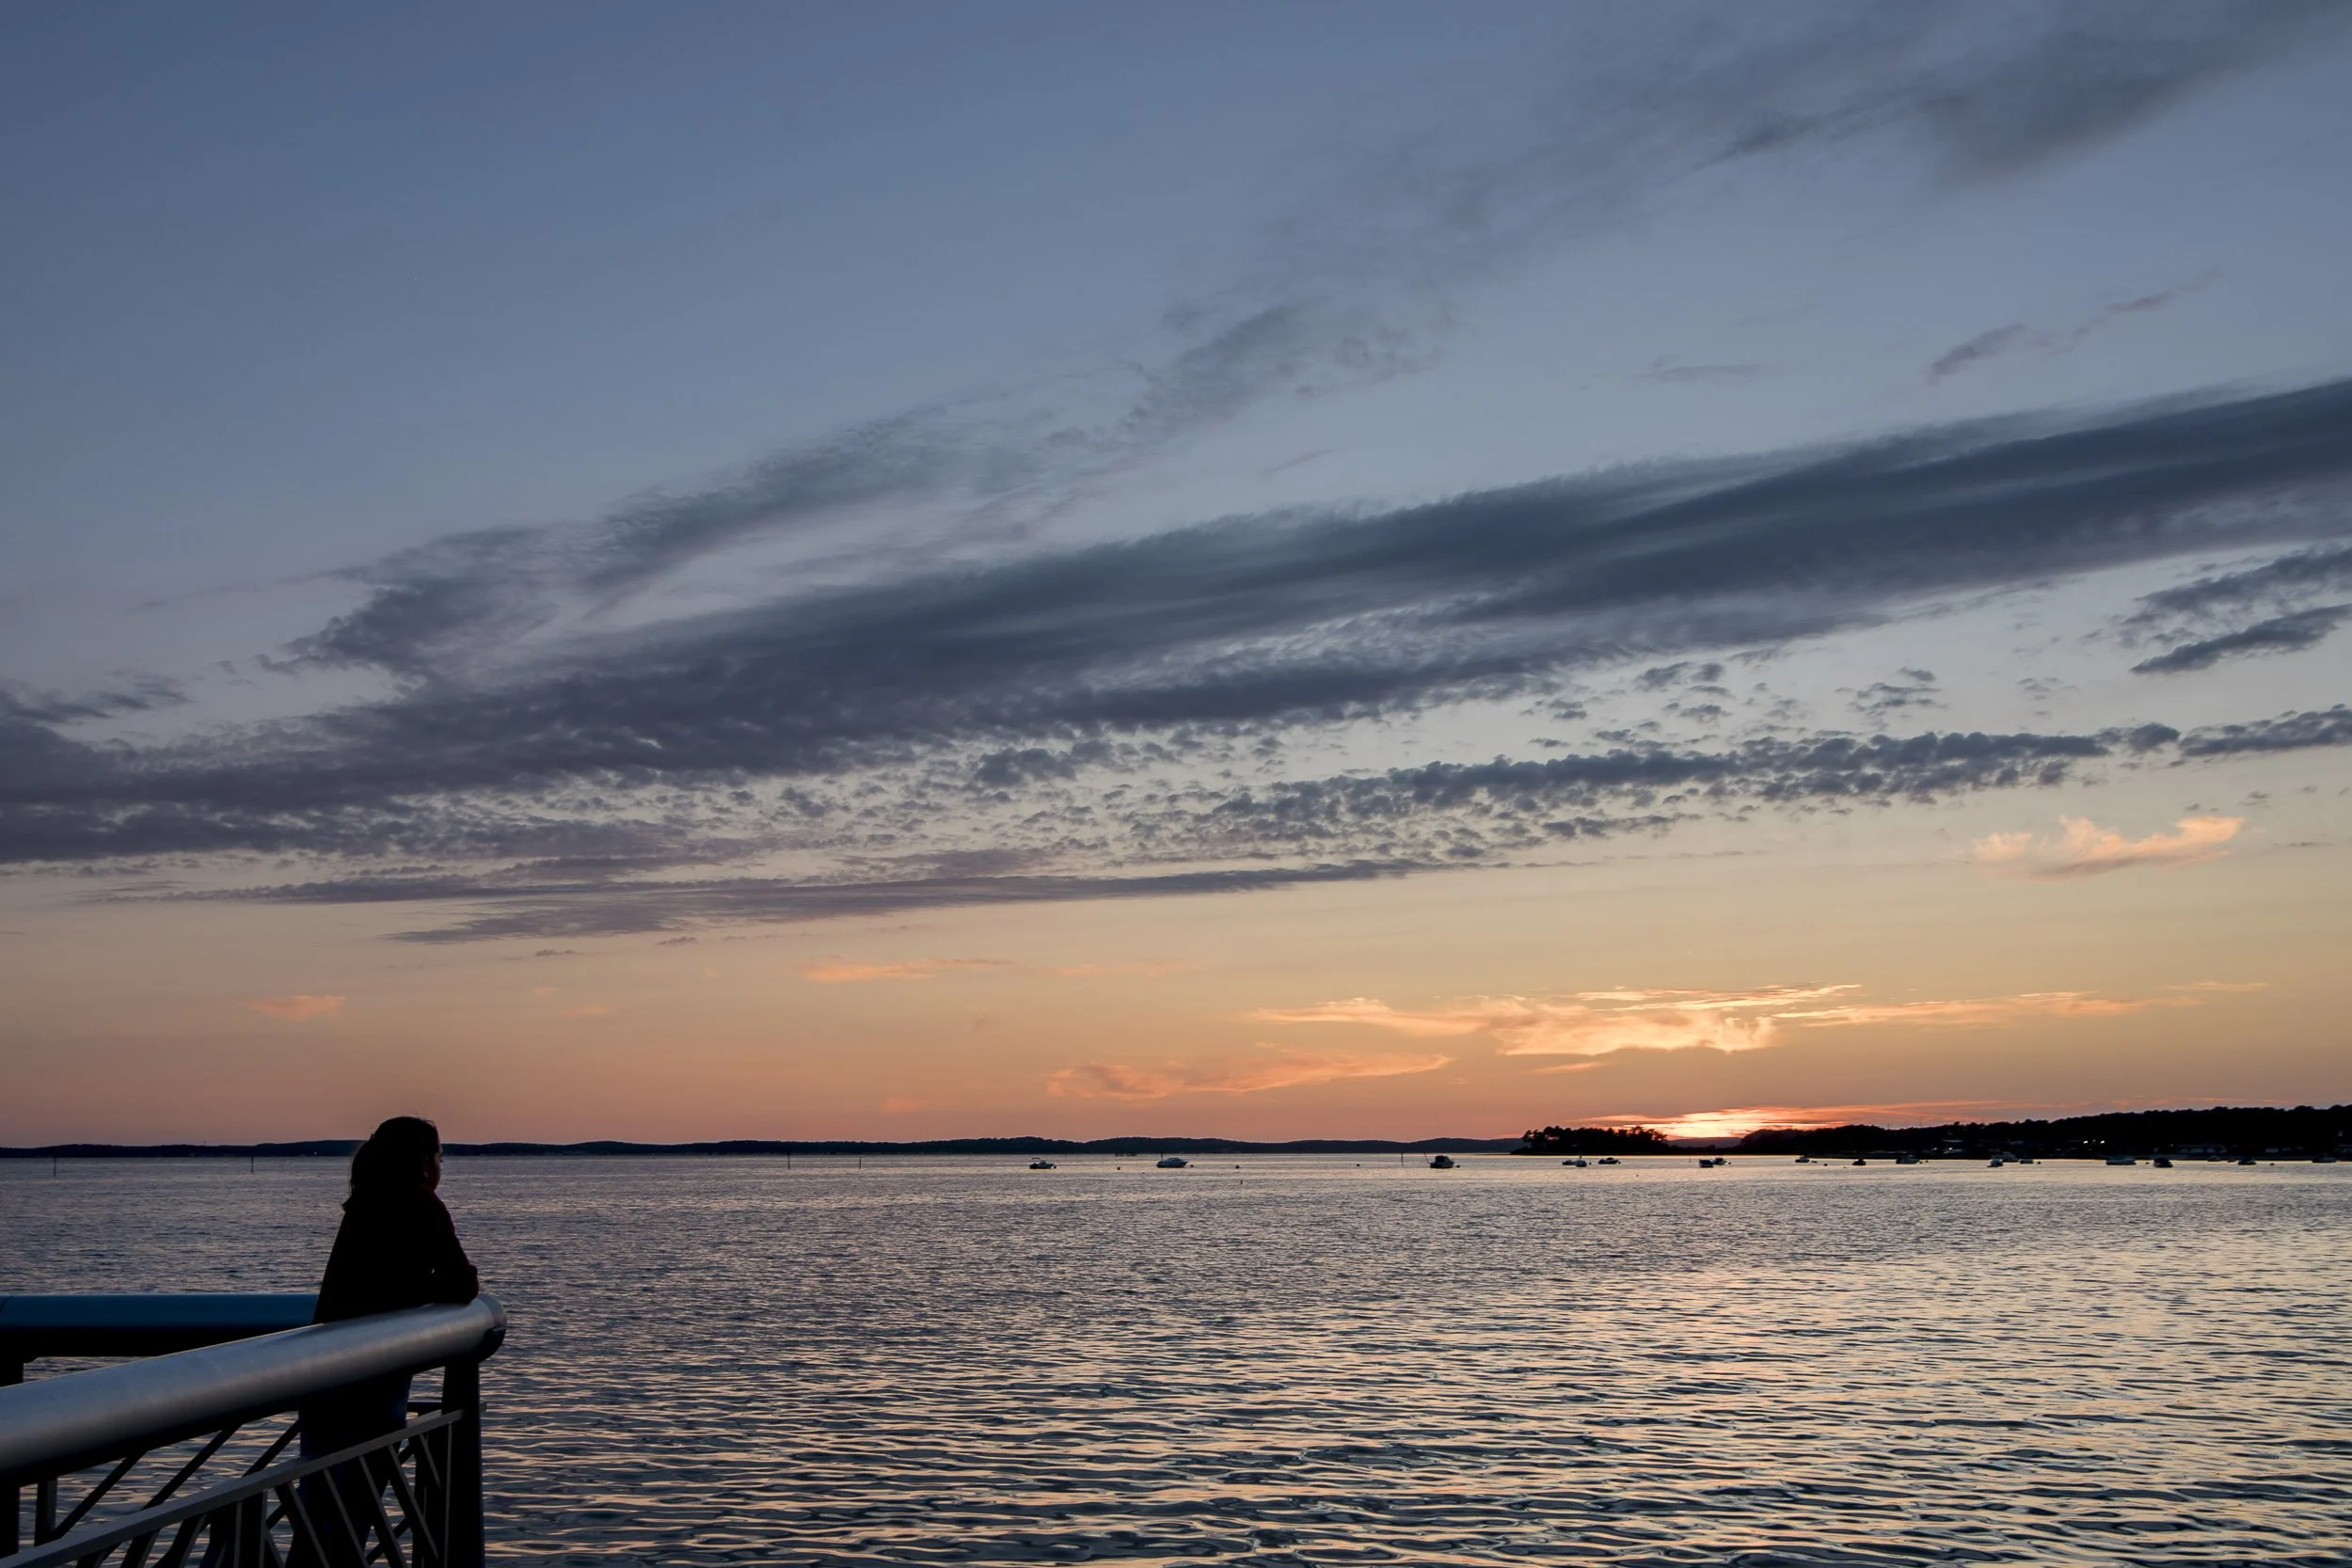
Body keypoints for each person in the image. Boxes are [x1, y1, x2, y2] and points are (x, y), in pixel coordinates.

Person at [291, 1117, 480, 1568]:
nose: (441, 1167)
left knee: (318, 1500)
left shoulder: (363, 1202)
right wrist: (421, 1291)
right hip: (374, 1373)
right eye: (439, 1157)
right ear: (425, 1161)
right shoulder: (420, 1202)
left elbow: (364, 1283)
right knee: (356, 1500)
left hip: (323, 1366)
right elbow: (461, 1283)